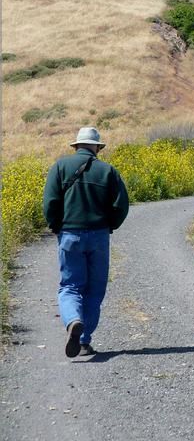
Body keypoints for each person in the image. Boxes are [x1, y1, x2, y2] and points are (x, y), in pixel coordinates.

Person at [43, 127, 129, 358]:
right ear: (97, 147)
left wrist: (56, 226)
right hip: (99, 236)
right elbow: (121, 206)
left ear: (76, 146)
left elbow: (50, 202)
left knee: (70, 286)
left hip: (70, 234)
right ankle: (83, 340)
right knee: (95, 289)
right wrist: (109, 225)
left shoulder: (60, 167)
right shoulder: (108, 171)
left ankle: (73, 321)